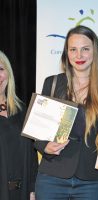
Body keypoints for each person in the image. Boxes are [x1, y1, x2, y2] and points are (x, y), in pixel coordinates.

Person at [34, 25, 98, 200]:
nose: (79, 56)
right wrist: (45, 147)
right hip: (52, 177)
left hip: (91, 180)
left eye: (85, 49)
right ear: (66, 53)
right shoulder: (53, 83)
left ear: (95, 52)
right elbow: (39, 129)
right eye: (73, 49)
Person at [0, 50, 38, 200]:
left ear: (8, 73)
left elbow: (33, 155)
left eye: (1, 69)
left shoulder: (23, 110)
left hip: (21, 193)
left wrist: (33, 189)